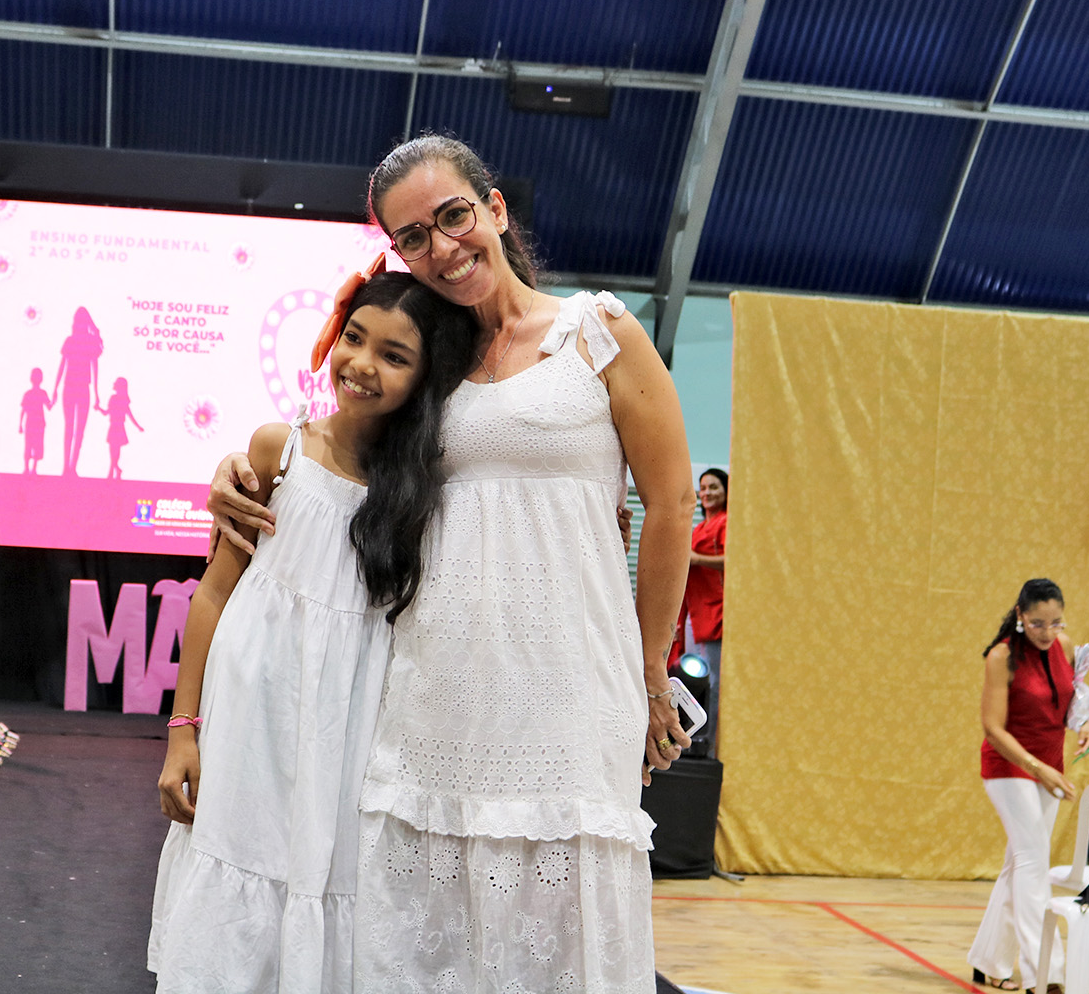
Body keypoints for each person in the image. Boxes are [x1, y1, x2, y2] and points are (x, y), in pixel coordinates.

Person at [209, 135, 695, 992]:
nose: (442, 246)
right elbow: (334, 452)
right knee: (429, 957)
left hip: (571, 702)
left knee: (563, 949)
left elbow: (672, 503)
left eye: (454, 216)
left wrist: (651, 673)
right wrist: (235, 471)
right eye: (413, 237)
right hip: (434, 704)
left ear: (494, 210)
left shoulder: (597, 331)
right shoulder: (426, 364)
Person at [147, 272, 477, 993]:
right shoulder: (278, 451)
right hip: (249, 715)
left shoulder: (425, 496)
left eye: (394, 355)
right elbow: (213, 595)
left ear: (425, 378)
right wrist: (183, 730)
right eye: (354, 338)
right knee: (238, 859)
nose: (361, 364)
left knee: (326, 875)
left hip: (351, 726)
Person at [969, 578, 1089, 992]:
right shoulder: (1001, 656)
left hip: (1049, 766)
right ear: (1021, 616)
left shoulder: (1065, 646)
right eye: (1038, 623)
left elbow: (1078, 693)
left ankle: (988, 960)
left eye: (1056, 622)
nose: (1047, 632)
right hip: (1010, 766)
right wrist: (1036, 768)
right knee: (1033, 862)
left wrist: (1086, 724)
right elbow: (992, 728)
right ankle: (1045, 974)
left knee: (1020, 862)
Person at [671, 467, 727, 751]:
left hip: (717, 613)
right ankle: (690, 739)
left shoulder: (727, 522)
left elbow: (735, 559)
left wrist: (696, 558)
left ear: (726, 491)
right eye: (703, 488)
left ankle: (709, 744)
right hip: (695, 613)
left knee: (713, 682)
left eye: (714, 487)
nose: (707, 493)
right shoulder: (700, 527)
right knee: (694, 681)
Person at [53, 307, 103, 476]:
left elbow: (92, 366)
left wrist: (96, 392)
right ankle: (69, 467)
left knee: (73, 428)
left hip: (74, 387)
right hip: (77, 387)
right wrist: (55, 388)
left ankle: (69, 467)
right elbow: (64, 365)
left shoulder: (77, 341)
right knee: (75, 429)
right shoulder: (81, 341)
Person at [103, 377, 144, 480]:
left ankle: (112, 471)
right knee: (113, 450)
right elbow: (108, 412)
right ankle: (115, 469)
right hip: (115, 426)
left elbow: (130, 415)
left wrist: (138, 426)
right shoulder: (116, 399)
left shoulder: (120, 400)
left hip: (117, 427)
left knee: (114, 450)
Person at [20, 368, 51, 475]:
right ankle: (30, 468)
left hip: (34, 423)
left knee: (33, 445)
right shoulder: (38, 393)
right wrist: (20, 424)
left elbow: (24, 410)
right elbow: (49, 406)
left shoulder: (30, 394)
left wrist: (20, 424)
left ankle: (30, 468)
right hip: (35, 423)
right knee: (32, 445)